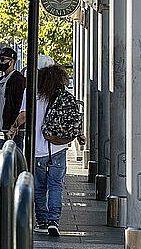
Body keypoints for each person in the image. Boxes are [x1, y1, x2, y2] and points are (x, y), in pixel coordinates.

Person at [7, 54, 85, 236]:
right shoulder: (64, 93)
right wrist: (79, 135)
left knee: (40, 186)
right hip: (59, 146)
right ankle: (53, 221)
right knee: (56, 185)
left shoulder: (31, 92)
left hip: (38, 149)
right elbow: (71, 117)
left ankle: (41, 221)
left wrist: (13, 128)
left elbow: (23, 116)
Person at [0, 47, 26, 150]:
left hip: (15, 130)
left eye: (3, 59)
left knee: (15, 157)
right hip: (5, 128)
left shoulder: (18, 79)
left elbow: (20, 104)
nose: (0, 62)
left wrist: (14, 125)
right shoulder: (1, 80)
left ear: (11, 61)